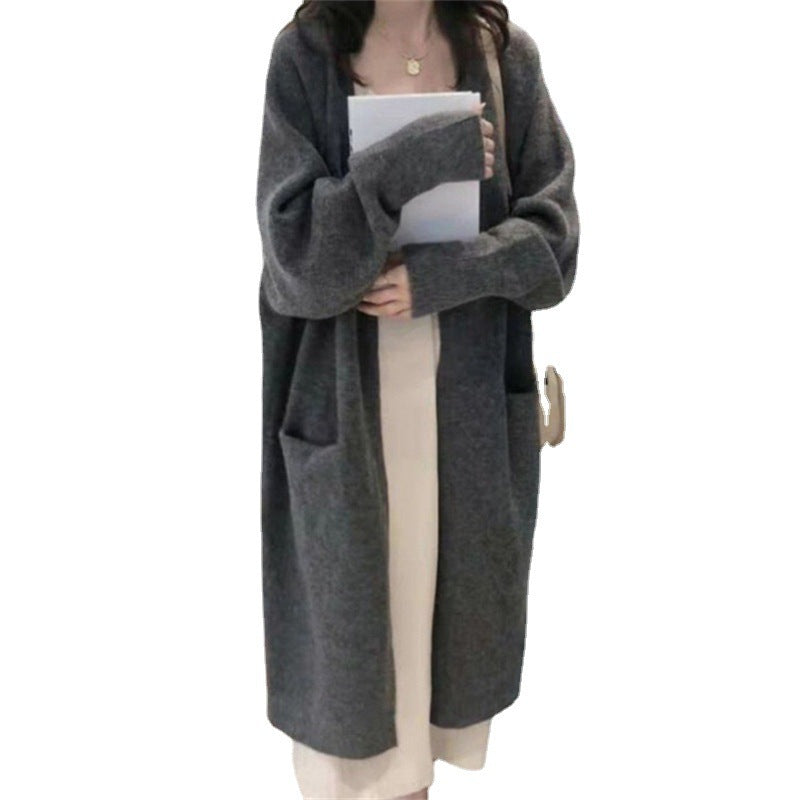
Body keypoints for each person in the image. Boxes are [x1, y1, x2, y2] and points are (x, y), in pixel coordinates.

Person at [256, 2, 580, 798]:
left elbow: (556, 246)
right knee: (353, 739)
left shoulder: (504, 57)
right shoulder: (306, 57)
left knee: (437, 701)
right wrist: (410, 162)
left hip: (464, 426)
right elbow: (297, 262)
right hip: (349, 422)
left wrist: (445, 276)